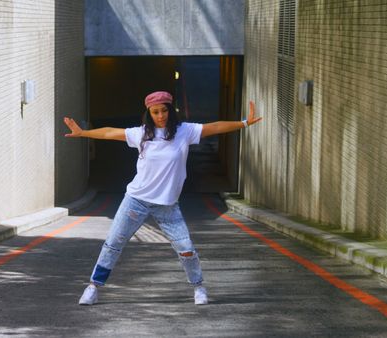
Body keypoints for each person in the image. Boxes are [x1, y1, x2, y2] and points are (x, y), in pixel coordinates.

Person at [63, 91, 261, 305]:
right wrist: (83, 133)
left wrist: (244, 123)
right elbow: (110, 132)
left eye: (164, 110)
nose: (160, 115)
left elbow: (214, 127)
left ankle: (198, 288)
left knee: (186, 249)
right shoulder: (141, 134)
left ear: (170, 110)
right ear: (149, 113)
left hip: (167, 205)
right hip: (136, 200)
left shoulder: (185, 132)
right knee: (113, 244)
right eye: (155, 112)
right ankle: (93, 287)